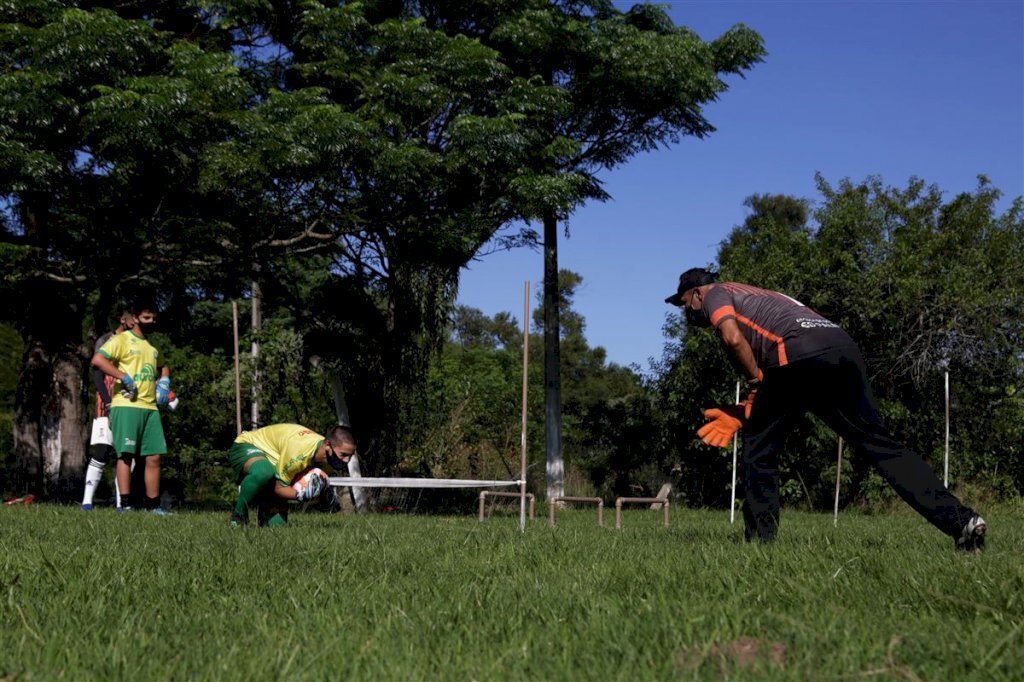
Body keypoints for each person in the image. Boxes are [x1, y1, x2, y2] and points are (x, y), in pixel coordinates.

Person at [665, 267, 987, 550]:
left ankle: (759, 545)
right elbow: (780, 392)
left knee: (758, 450)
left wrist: (753, 384)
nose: (687, 313)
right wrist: (750, 404)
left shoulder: (715, 294)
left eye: (684, 306)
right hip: (842, 349)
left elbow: (733, 339)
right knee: (881, 445)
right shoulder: (762, 295)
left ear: (694, 294)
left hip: (796, 354)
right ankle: (961, 522)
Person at [90, 299, 174, 514]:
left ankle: (154, 506)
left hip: (150, 407)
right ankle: (125, 504)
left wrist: (164, 381)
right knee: (125, 455)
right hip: (126, 404)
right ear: (135, 318)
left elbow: (163, 366)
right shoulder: (122, 340)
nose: (151, 321)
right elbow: (98, 360)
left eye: (154, 318)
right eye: (147, 318)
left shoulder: (151, 347)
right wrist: (122, 376)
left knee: (154, 456)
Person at [228, 423, 357, 527]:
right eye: (344, 455)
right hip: (248, 445)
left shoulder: (328, 461)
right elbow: (279, 488)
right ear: (327, 445)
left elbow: (292, 481)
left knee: (276, 529)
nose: (347, 461)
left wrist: (322, 496)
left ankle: (262, 502)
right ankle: (239, 515)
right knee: (264, 472)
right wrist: (302, 495)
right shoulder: (299, 452)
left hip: (277, 464)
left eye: (350, 456)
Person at [81, 309, 134, 510]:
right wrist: (107, 402)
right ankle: (87, 501)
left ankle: (122, 504)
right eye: (133, 317)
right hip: (107, 405)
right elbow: (97, 376)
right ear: (123, 319)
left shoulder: (135, 342)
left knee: (126, 454)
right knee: (102, 450)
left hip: (129, 405)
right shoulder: (105, 341)